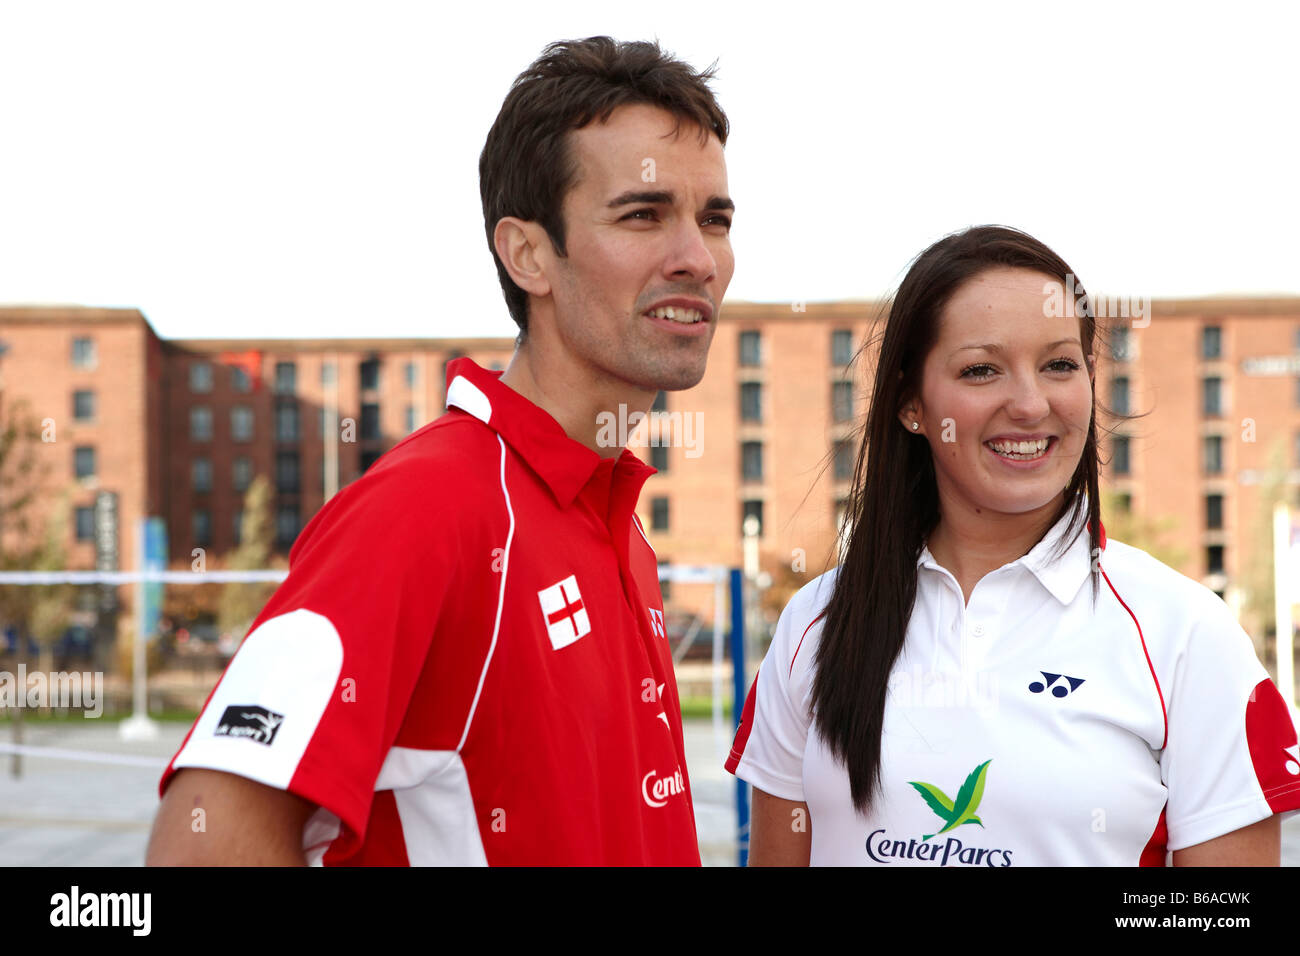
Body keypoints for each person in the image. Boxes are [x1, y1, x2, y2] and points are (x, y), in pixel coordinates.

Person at [147, 36, 735, 866]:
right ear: (527, 252)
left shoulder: (616, 521)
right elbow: (203, 840)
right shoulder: (426, 508)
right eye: (643, 214)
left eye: (714, 219)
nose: (697, 259)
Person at [728, 225, 1300, 866]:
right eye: (981, 370)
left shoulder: (1187, 635)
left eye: (1060, 365)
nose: (1030, 404)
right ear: (911, 403)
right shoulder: (815, 622)